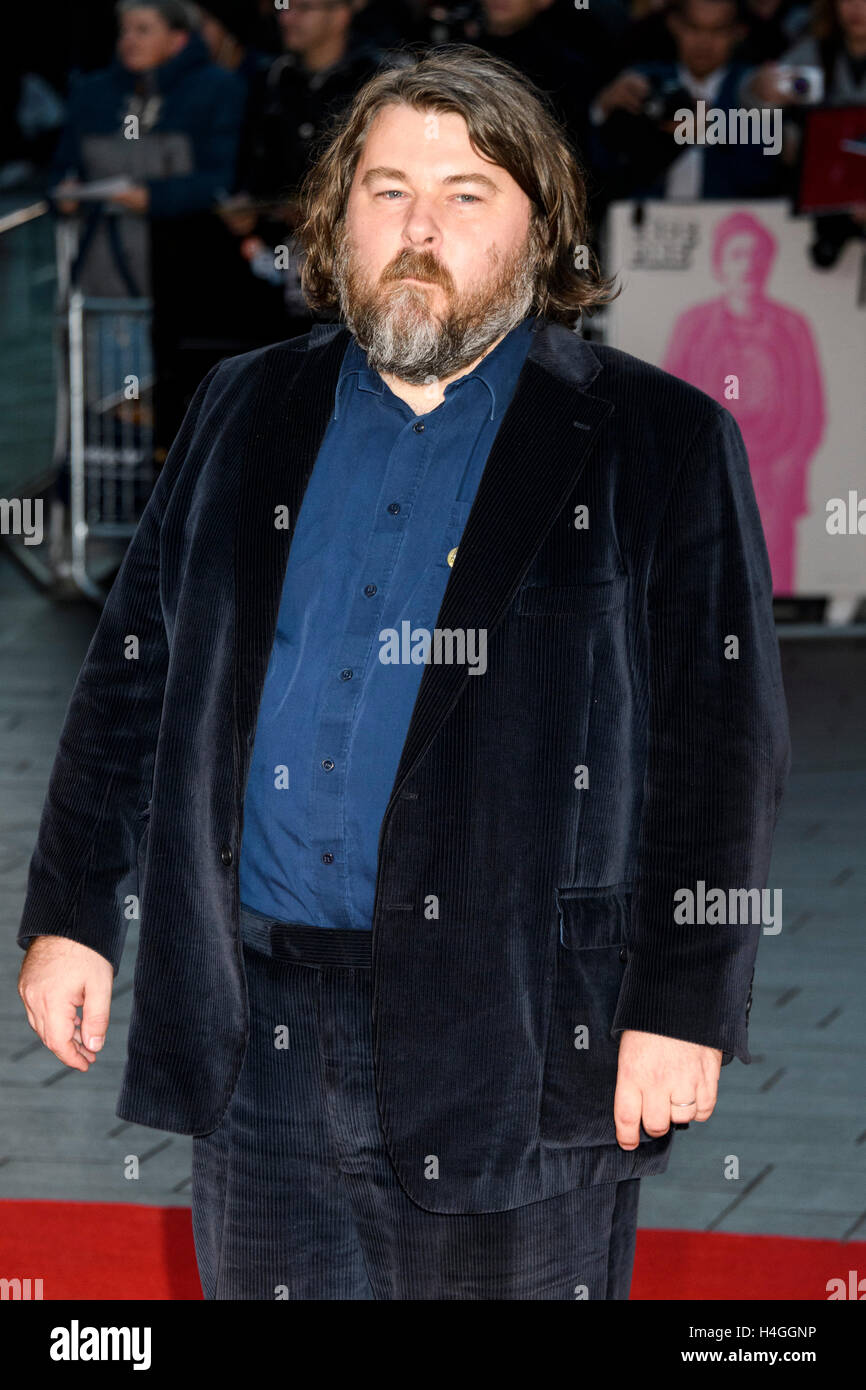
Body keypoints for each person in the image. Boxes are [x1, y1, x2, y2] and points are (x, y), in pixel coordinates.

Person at [16, 44, 791, 1302]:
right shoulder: (239, 407)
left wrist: (682, 1003)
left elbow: (723, 746)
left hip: (526, 1030)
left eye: (466, 194)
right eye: (385, 191)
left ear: (541, 230)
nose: (417, 227)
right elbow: (132, 676)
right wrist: (72, 916)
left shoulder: (654, 440)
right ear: (334, 216)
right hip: (257, 1027)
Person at [589, 0, 787, 201]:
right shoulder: (644, 83)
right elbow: (602, 171)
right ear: (674, 24)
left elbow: (767, 176)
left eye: (718, 30)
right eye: (694, 28)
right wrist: (601, 109)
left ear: (738, 32)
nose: (704, 42)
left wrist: (719, 127)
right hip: (646, 222)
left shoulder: (755, 90)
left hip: (733, 226)